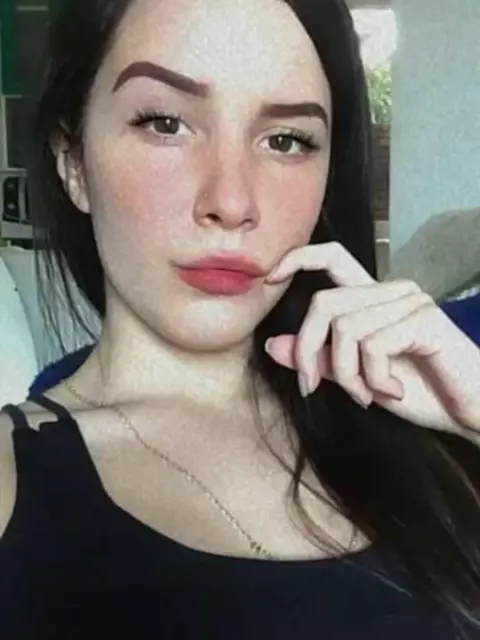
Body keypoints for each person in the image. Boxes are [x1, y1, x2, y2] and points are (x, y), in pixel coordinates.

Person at [1, 0, 480, 637]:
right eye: (165, 123)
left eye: (286, 141)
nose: (231, 202)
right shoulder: (14, 473)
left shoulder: (420, 418)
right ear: (74, 163)